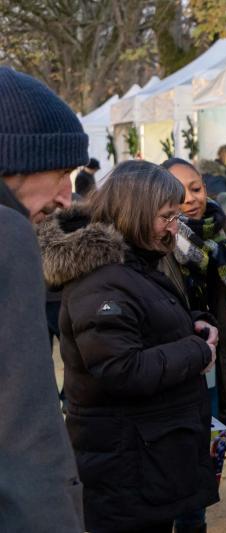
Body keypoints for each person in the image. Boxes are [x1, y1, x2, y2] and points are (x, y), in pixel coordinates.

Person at [37, 160, 220, 532]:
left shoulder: (129, 264)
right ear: (135, 213)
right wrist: (198, 351)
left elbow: (141, 323)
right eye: (166, 216)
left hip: (145, 458)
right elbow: (122, 368)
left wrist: (192, 322)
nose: (174, 226)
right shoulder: (103, 278)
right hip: (128, 466)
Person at [0, 66, 85, 532]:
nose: (67, 197)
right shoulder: (6, 233)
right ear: (17, 160)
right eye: (62, 172)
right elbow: (24, 432)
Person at [160, 157, 226, 532]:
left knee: (205, 461)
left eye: (196, 188)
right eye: (177, 192)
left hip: (213, 374)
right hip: (172, 374)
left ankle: (194, 523)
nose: (190, 199)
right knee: (175, 464)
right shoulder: (157, 245)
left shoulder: (220, 241)